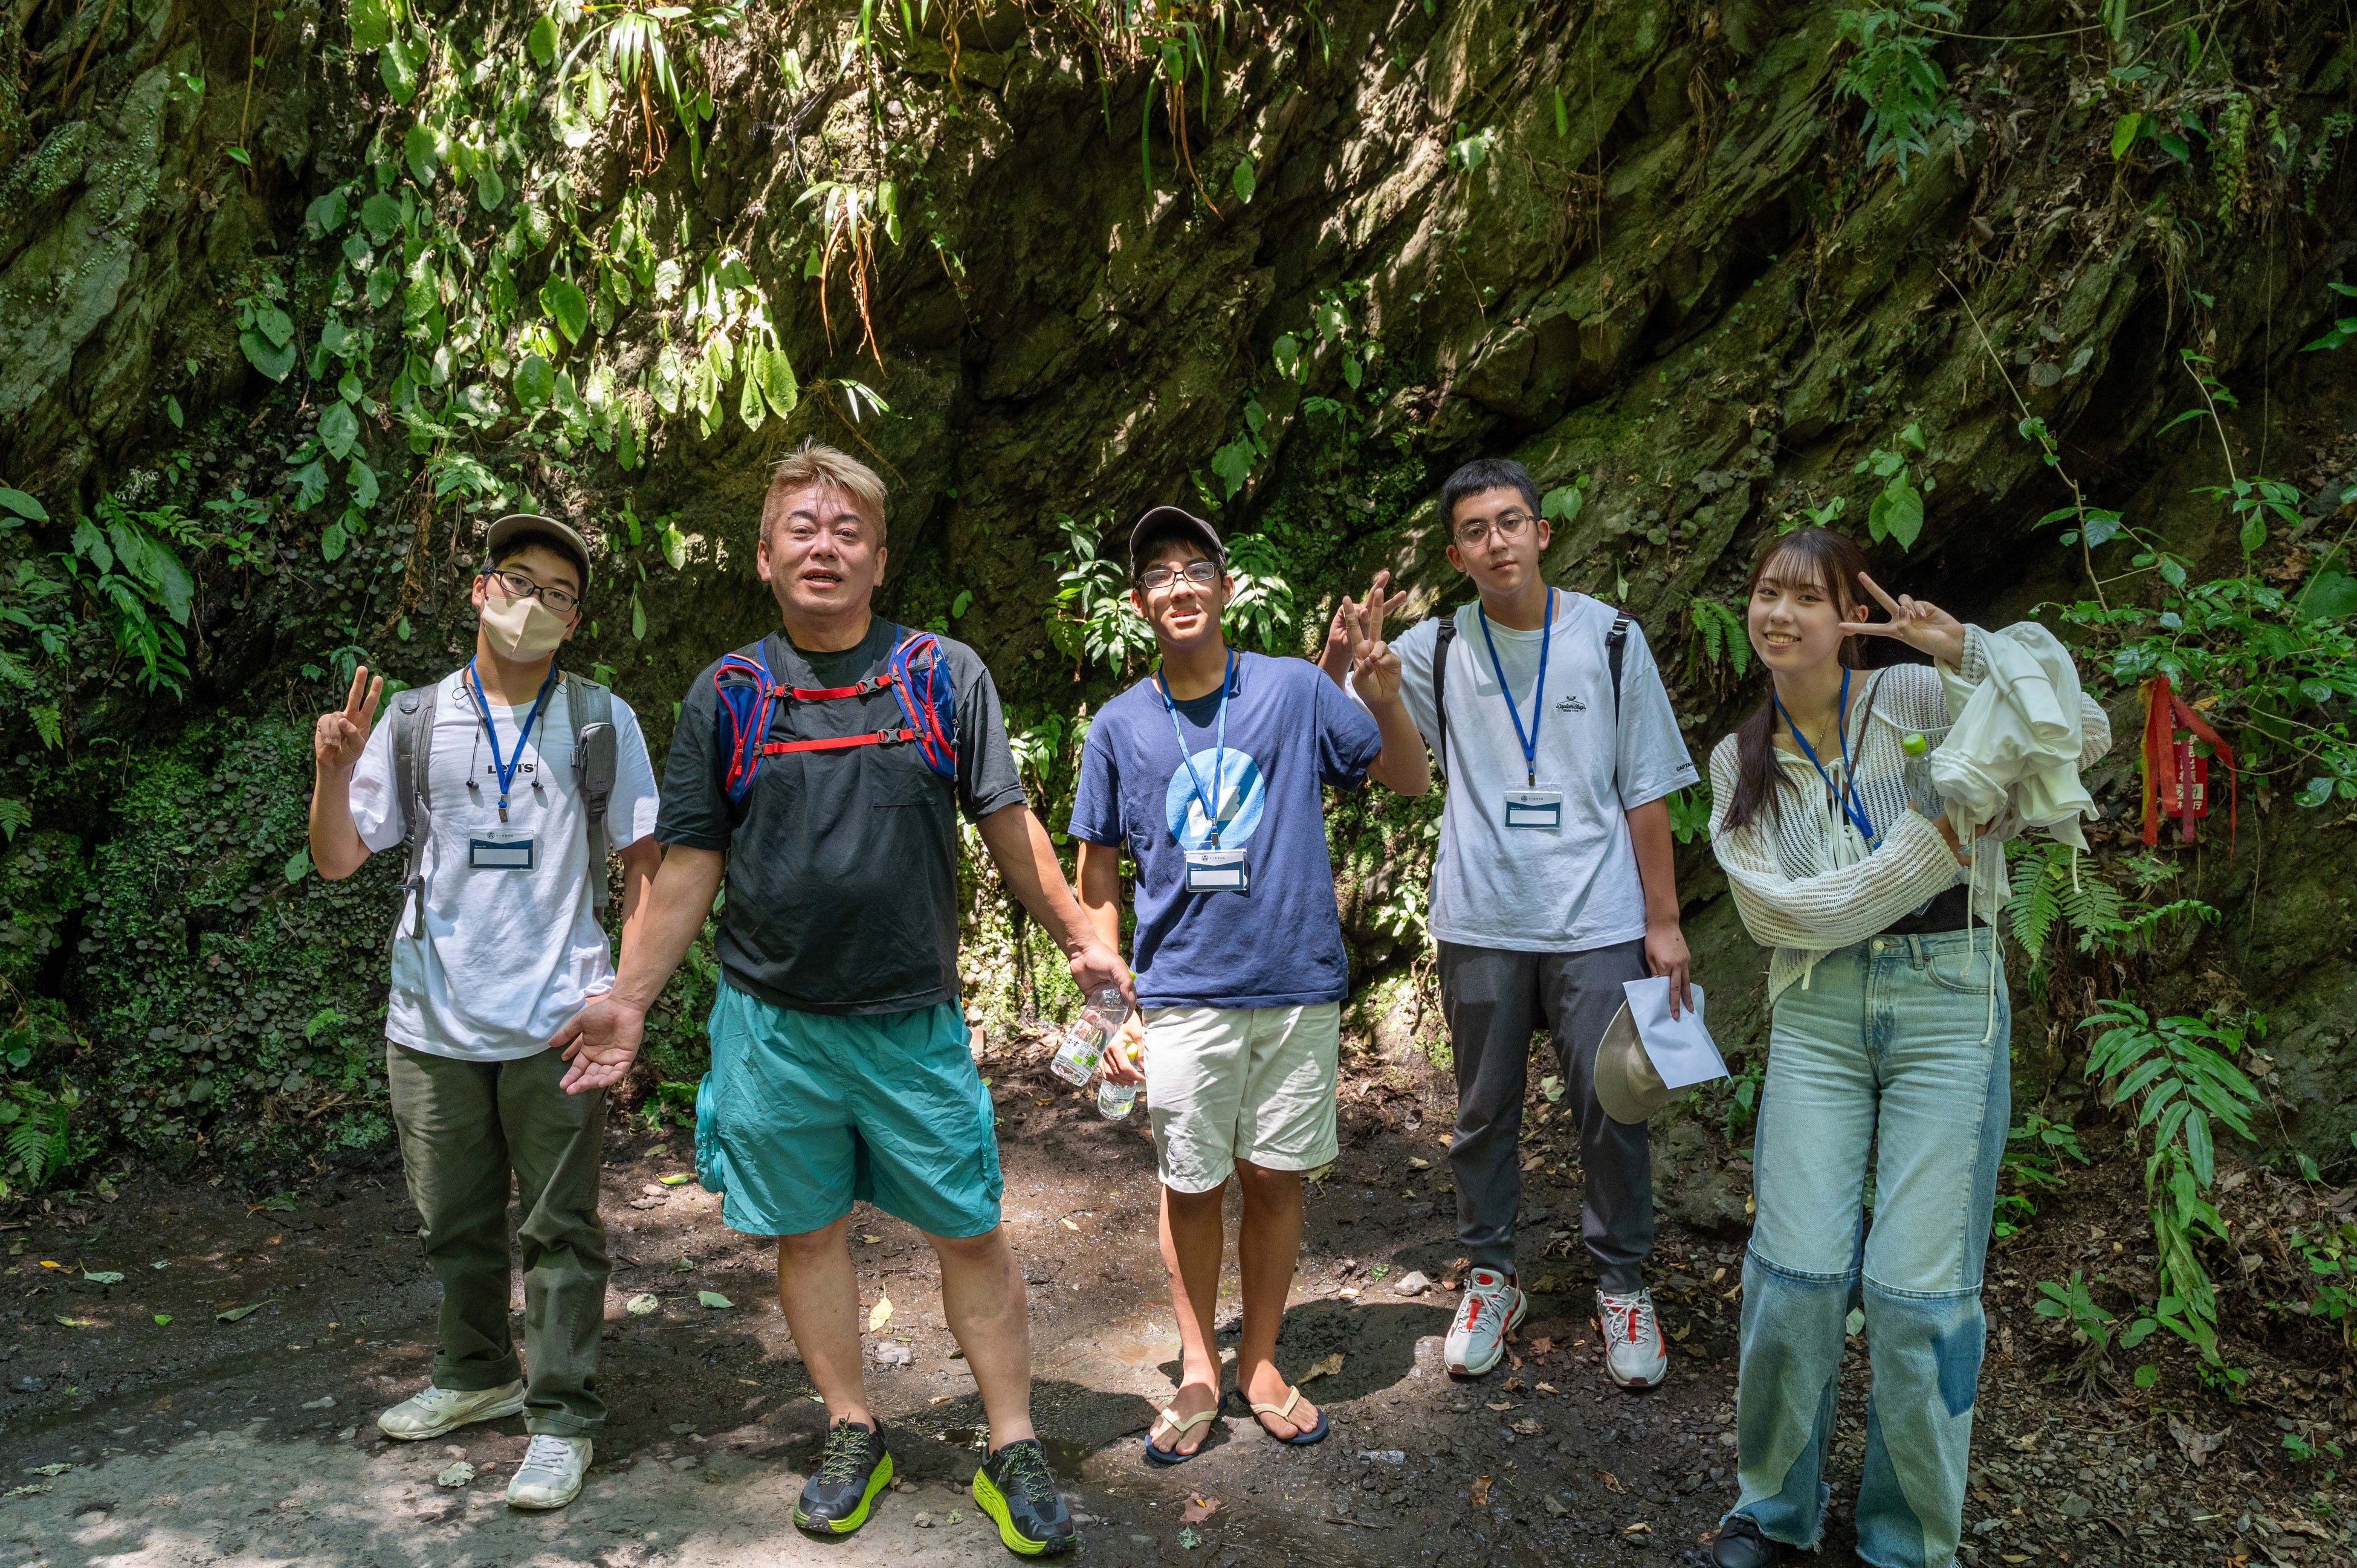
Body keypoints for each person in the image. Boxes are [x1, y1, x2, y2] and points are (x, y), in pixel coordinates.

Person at [548, 443, 1127, 1559]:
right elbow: (688, 869)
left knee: (970, 1228)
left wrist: (1080, 938)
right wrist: (629, 1001)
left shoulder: (940, 674)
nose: (825, 545)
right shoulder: (729, 694)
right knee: (808, 1234)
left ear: (878, 556)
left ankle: (1011, 1443)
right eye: (802, 529)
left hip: (911, 1022)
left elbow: (1009, 824)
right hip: (772, 1027)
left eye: (846, 529)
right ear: (766, 559)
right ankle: (853, 1429)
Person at [1700, 527, 2110, 1568]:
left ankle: (1909, 1537)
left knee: (1918, 1292)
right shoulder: (1736, 760)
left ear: (1849, 619)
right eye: (1763, 594)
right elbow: (1773, 916)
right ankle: (1774, 1508)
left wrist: (1967, 650)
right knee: (1793, 1275)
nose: (1780, 614)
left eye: (1807, 597)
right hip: (1818, 1015)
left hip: (1949, 1001)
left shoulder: (1920, 701)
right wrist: (1928, 853)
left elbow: (2086, 730)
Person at [308, 513, 662, 1511]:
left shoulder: (601, 720)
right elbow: (339, 857)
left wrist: (620, 997)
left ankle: (561, 1418)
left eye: (559, 593)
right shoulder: (417, 720)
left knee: (561, 1230)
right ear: (479, 590)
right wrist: (333, 772)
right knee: (452, 1223)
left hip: (558, 1019)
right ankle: (474, 1376)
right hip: (429, 1022)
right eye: (519, 580)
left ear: (576, 618)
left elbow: (646, 868)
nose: (534, 604)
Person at [1320, 456, 1698, 1387]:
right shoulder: (1433, 648)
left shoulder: (1610, 640)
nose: (1499, 542)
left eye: (1511, 522)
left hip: (1599, 917)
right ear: (1456, 554)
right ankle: (1491, 1274)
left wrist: (1666, 922)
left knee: (1613, 1107)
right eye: (1477, 531)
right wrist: (1351, 674)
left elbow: (1646, 789)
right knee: (1483, 1112)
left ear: (1541, 533)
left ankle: (1621, 1284)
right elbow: (1383, 764)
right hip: (1482, 919)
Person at [1070, 508, 1431, 1463]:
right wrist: (1108, 1007)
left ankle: (1259, 1360)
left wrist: (1387, 697)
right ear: (1141, 602)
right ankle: (1198, 1365)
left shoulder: (1289, 692)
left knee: (1275, 1177)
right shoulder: (1119, 726)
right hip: (1182, 989)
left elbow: (1406, 779)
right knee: (1192, 1184)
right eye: (1160, 574)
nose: (1179, 586)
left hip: (1294, 981)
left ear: (1227, 589)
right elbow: (1097, 879)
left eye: (1197, 569)